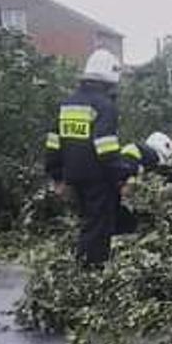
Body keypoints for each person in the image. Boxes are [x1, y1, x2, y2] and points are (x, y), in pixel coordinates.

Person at [43, 49, 129, 265]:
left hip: (73, 176)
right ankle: (90, 274)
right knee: (99, 227)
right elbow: (106, 148)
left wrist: (57, 176)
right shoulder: (104, 106)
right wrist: (124, 172)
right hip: (98, 177)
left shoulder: (67, 104)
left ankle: (83, 270)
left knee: (87, 224)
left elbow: (54, 142)